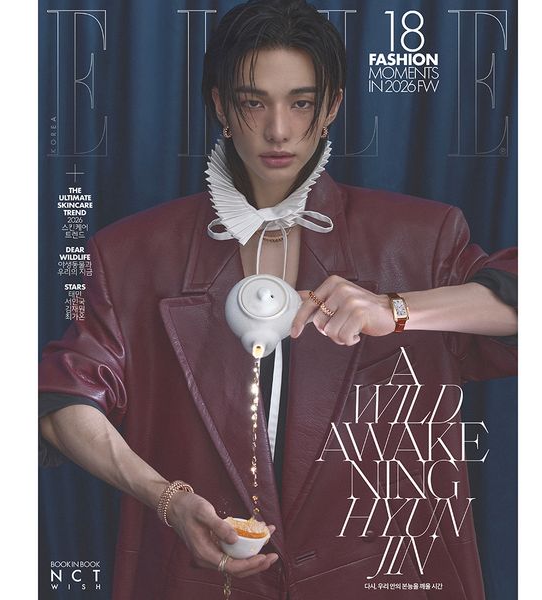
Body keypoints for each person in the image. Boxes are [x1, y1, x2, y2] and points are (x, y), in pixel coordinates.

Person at [39, 1, 517, 598]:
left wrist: (397, 309)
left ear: (332, 106)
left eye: (301, 103)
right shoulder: (130, 253)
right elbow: (59, 403)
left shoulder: (420, 236)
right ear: (220, 106)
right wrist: (168, 500)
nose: (279, 130)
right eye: (252, 102)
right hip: (202, 583)